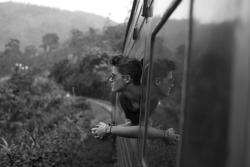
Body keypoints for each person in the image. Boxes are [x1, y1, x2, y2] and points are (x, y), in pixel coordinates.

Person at [91, 56, 179, 142]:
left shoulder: (152, 99)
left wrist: (108, 129)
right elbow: (134, 126)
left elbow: (142, 130)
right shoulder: (124, 99)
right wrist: (107, 129)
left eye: (113, 76)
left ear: (127, 79)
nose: (110, 80)